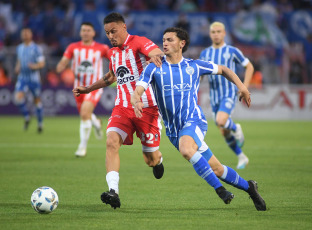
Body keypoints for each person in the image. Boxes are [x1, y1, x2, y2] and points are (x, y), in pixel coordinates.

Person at [131, 27, 266, 211]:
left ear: (182, 43)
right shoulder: (154, 67)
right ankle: (250, 187)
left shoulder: (194, 66)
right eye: (163, 39)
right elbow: (138, 89)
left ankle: (220, 191)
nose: (165, 43)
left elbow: (224, 69)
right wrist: (136, 100)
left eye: (170, 40)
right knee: (217, 169)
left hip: (194, 121)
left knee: (187, 149)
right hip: (173, 130)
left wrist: (242, 86)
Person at [72, 12, 165, 209]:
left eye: (113, 31)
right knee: (111, 142)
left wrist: (155, 58)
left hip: (146, 108)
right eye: (107, 33)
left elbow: (157, 53)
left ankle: (157, 161)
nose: (111, 36)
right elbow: (111, 77)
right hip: (122, 107)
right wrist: (87, 89)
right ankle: (113, 191)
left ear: (124, 27)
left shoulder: (139, 42)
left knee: (150, 159)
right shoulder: (113, 53)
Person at [199, 22, 254, 169]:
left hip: (228, 94)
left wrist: (244, 87)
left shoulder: (232, 51)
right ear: (210, 34)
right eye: (213, 32)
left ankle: (236, 128)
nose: (216, 34)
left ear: (224, 33)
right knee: (223, 131)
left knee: (221, 120)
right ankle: (241, 156)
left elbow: (249, 66)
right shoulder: (205, 53)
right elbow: (201, 75)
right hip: (214, 97)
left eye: (219, 31)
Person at [56, 22, 110, 157]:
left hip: (94, 87)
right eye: (83, 30)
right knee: (85, 114)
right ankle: (96, 122)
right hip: (78, 88)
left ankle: (82, 148)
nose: (85, 32)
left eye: (88, 30)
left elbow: (114, 59)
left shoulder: (101, 48)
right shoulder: (73, 47)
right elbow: (64, 60)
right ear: (80, 33)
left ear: (93, 33)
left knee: (85, 113)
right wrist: (61, 66)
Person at [14, 28, 45, 133]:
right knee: (18, 98)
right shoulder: (19, 48)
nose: (25, 35)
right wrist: (17, 67)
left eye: (27, 33)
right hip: (22, 78)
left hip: (34, 79)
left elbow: (42, 64)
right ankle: (27, 117)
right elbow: (19, 60)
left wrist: (34, 66)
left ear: (31, 35)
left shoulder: (36, 48)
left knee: (37, 101)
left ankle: (40, 124)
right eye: (23, 33)